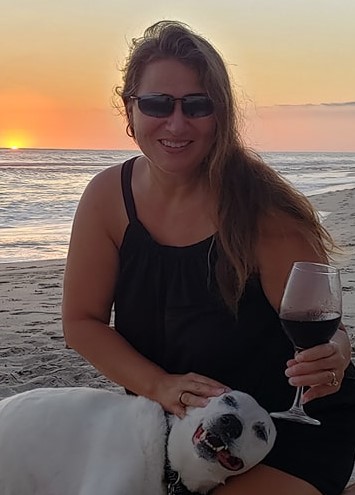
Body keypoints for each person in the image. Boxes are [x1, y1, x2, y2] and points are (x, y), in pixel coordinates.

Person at [62, 20, 355, 495]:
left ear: (220, 114)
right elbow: (82, 321)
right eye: (158, 104)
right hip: (170, 429)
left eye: (197, 106)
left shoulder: (266, 213)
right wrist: (159, 386)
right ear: (128, 107)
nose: (176, 124)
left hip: (282, 429)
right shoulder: (106, 199)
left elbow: (329, 333)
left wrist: (333, 359)